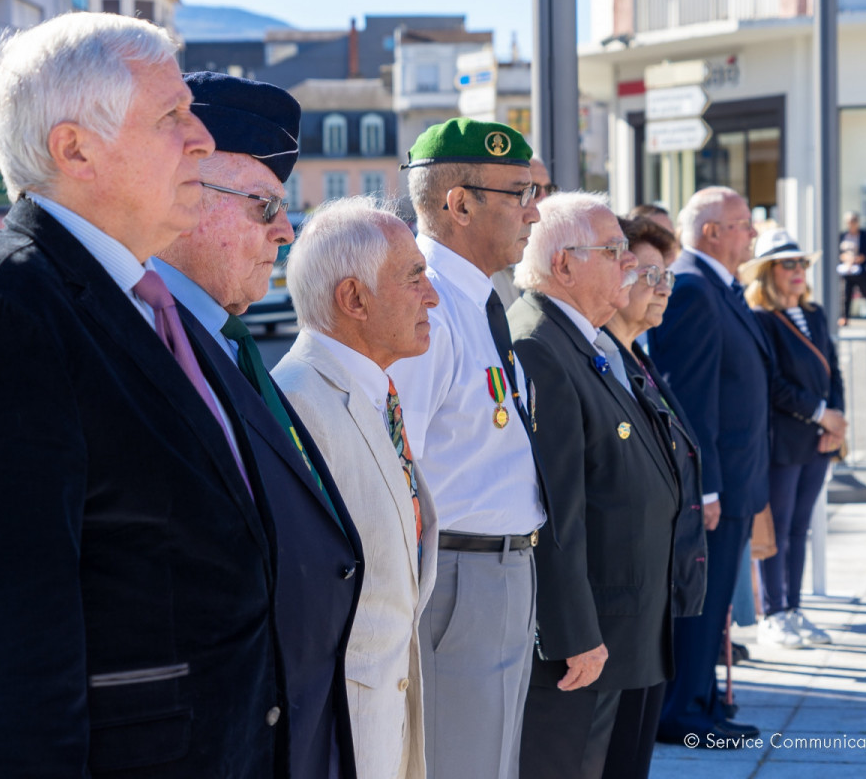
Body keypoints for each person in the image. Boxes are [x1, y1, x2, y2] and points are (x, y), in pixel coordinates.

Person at [0, 12, 292, 778]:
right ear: (74, 148)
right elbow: (0, 645)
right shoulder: (3, 310)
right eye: (172, 116)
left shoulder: (140, 298)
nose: (202, 140)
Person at [155, 71, 364, 779]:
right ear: (186, 194)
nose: (285, 229)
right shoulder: (146, 335)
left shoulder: (218, 337)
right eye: (263, 205)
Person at [388, 117, 546, 779]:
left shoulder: (478, 299)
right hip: (455, 578)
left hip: (499, 572)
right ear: (457, 204)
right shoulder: (425, 304)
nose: (535, 212)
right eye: (519, 192)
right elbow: (399, 471)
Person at [507, 192, 679, 778]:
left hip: (623, 622)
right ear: (564, 265)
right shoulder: (538, 344)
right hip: (589, 639)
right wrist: (575, 632)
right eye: (613, 252)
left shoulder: (582, 337)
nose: (630, 266)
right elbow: (556, 507)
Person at [272, 195, 441, 779]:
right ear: (354, 299)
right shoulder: (295, 403)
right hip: (341, 733)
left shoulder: (375, 390)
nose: (433, 295)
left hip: (385, 717)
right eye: (415, 276)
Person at [651, 186, 773, 748]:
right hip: (717, 485)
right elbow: (691, 399)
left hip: (738, 479)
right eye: (744, 223)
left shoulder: (718, 285)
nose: (753, 233)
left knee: (718, 601)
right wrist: (707, 487)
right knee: (701, 607)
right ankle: (683, 712)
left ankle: (703, 703)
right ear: (711, 233)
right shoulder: (694, 289)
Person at [602, 214, 708, 778]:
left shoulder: (635, 356)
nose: (662, 288)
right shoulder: (599, 357)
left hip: (651, 601)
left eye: (667, 277)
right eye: (648, 274)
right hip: (615, 608)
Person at [742, 228, 846, 649]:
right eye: (789, 263)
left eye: (802, 262)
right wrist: (823, 416)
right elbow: (774, 384)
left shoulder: (816, 313)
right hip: (784, 440)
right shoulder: (761, 319)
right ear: (769, 271)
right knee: (777, 529)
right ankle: (773, 612)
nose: (799, 270)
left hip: (818, 440)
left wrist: (835, 423)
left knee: (800, 528)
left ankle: (795, 606)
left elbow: (832, 371)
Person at [490, 155, 552, 307]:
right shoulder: (490, 263)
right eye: (532, 190)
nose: (544, 198)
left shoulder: (554, 255)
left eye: (549, 189)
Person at [838, 211, 866, 326]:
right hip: (847, 270)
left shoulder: (863, 235)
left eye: (853, 221)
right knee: (846, 295)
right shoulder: (843, 235)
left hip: (860, 271)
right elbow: (838, 252)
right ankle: (845, 317)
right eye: (849, 222)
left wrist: (856, 259)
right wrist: (845, 259)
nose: (851, 224)